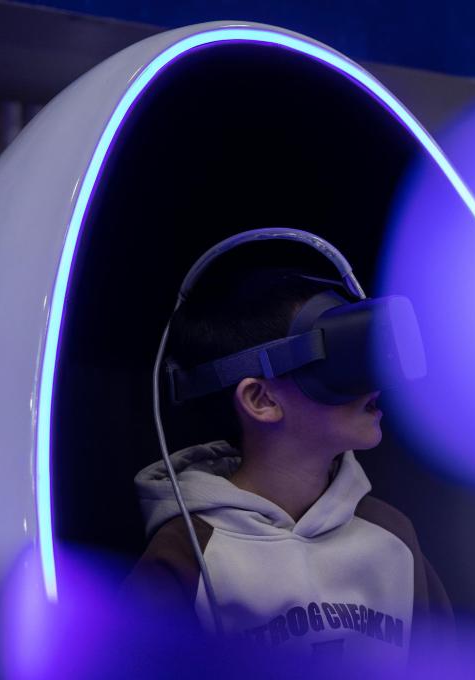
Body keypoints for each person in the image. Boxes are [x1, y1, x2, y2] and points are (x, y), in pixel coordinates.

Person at [122, 260, 453, 674]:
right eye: (340, 359)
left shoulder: (392, 538)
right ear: (261, 400)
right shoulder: (188, 552)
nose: (375, 381)